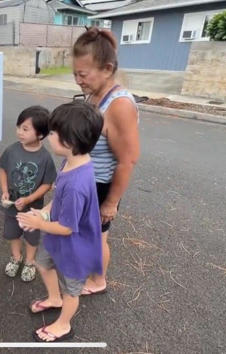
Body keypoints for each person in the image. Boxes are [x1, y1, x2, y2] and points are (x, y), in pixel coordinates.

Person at [16, 101, 104, 342]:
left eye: (53, 133)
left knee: (71, 289)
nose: (49, 135)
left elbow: (67, 227)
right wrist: (43, 213)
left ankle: (63, 324)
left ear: (70, 141)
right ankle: (54, 299)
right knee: (43, 264)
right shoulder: (72, 160)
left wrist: (38, 223)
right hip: (55, 235)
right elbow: (58, 200)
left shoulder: (77, 184)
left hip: (74, 246)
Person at [71, 27, 141, 295]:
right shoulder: (94, 93)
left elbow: (128, 160)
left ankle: (98, 281)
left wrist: (111, 203)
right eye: (75, 74)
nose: (78, 80)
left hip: (101, 186)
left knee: (98, 237)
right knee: (85, 235)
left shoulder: (119, 105)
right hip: (85, 180)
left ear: (107, 68)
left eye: (83, 74)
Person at [0, 106, 57, 282]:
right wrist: (5, 190)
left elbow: (47, 184)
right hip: (11, 207)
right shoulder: (11, 150)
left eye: (25, 129)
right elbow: (2, 170)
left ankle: (30, 261)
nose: (19, 132)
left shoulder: (45, 157)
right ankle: (16, 258)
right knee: (12, 233)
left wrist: (30, 199)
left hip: (33, 209)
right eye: (18, 127)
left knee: (32, 236)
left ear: (40, 134)